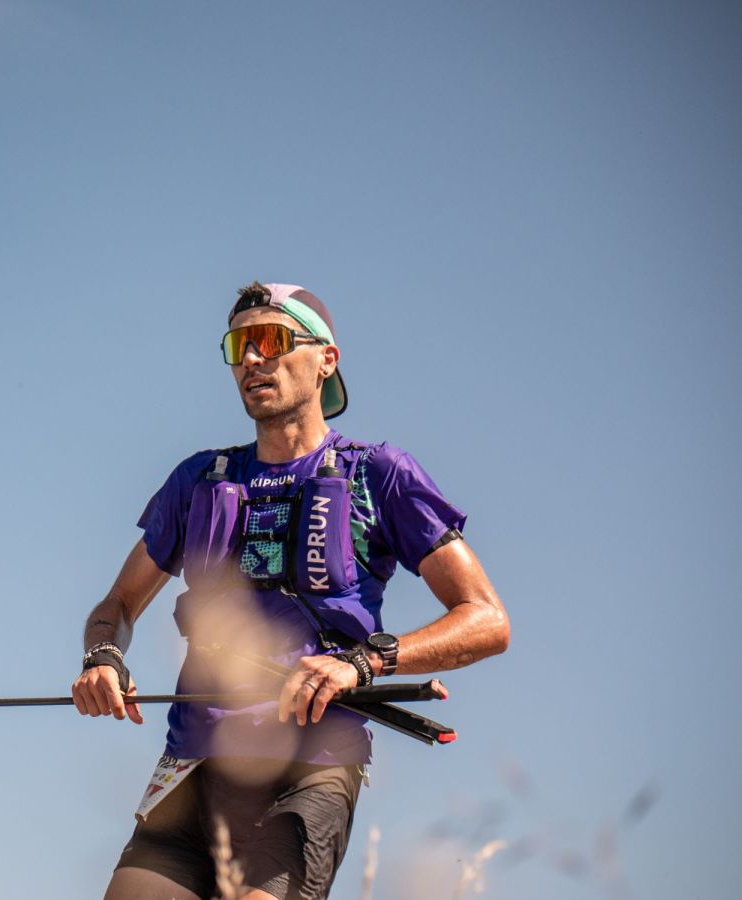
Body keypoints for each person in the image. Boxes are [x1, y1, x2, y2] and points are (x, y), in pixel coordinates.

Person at [72, 282, 510, 900]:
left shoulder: (378, 475)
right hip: (192, 769)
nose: (252, 360)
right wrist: (103, 658)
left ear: (326, 358)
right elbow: (115, 606)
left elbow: (487, 619)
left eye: (271, 341)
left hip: (313, 768)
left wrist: (363, 661)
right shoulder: (198, 480)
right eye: (238, 346)